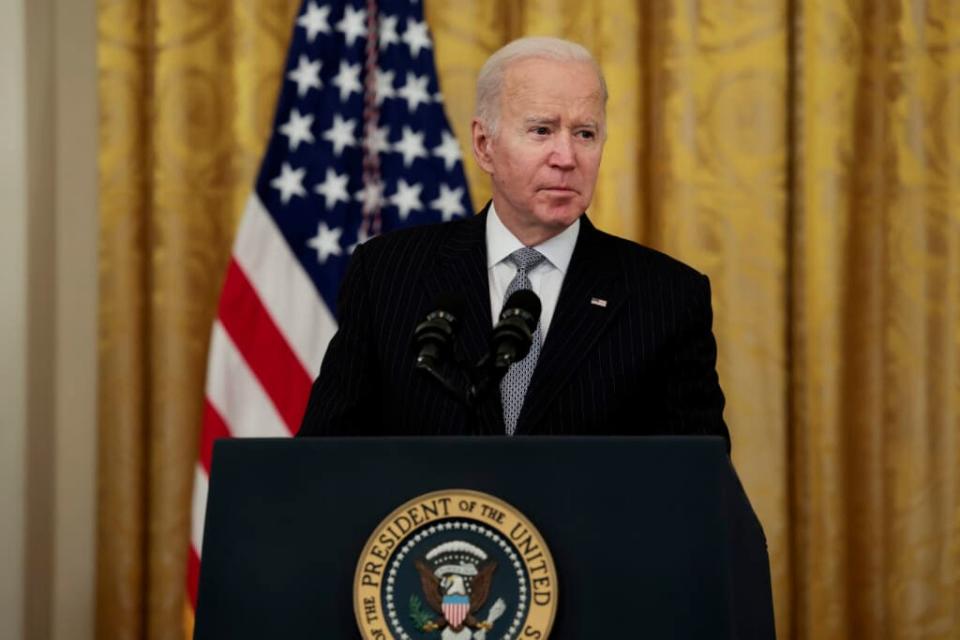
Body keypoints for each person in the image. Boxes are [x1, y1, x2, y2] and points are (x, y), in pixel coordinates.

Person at [297, 37, 728, 448]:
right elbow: (325, 456)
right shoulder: (388, 274)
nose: (566, 158)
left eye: (585, 134)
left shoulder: (667, 296)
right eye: (542, 130)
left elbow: (696, 482)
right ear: (485, 145)